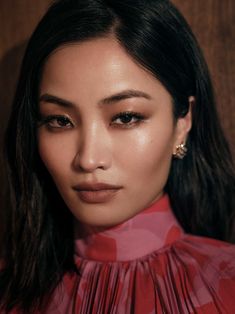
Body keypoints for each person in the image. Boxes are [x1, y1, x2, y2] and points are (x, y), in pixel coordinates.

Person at [1, 0, 235, 313]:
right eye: (60, 120)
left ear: (183, 122)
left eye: (125, 117)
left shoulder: (227, 285)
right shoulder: (9, 294)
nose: (88, 159)